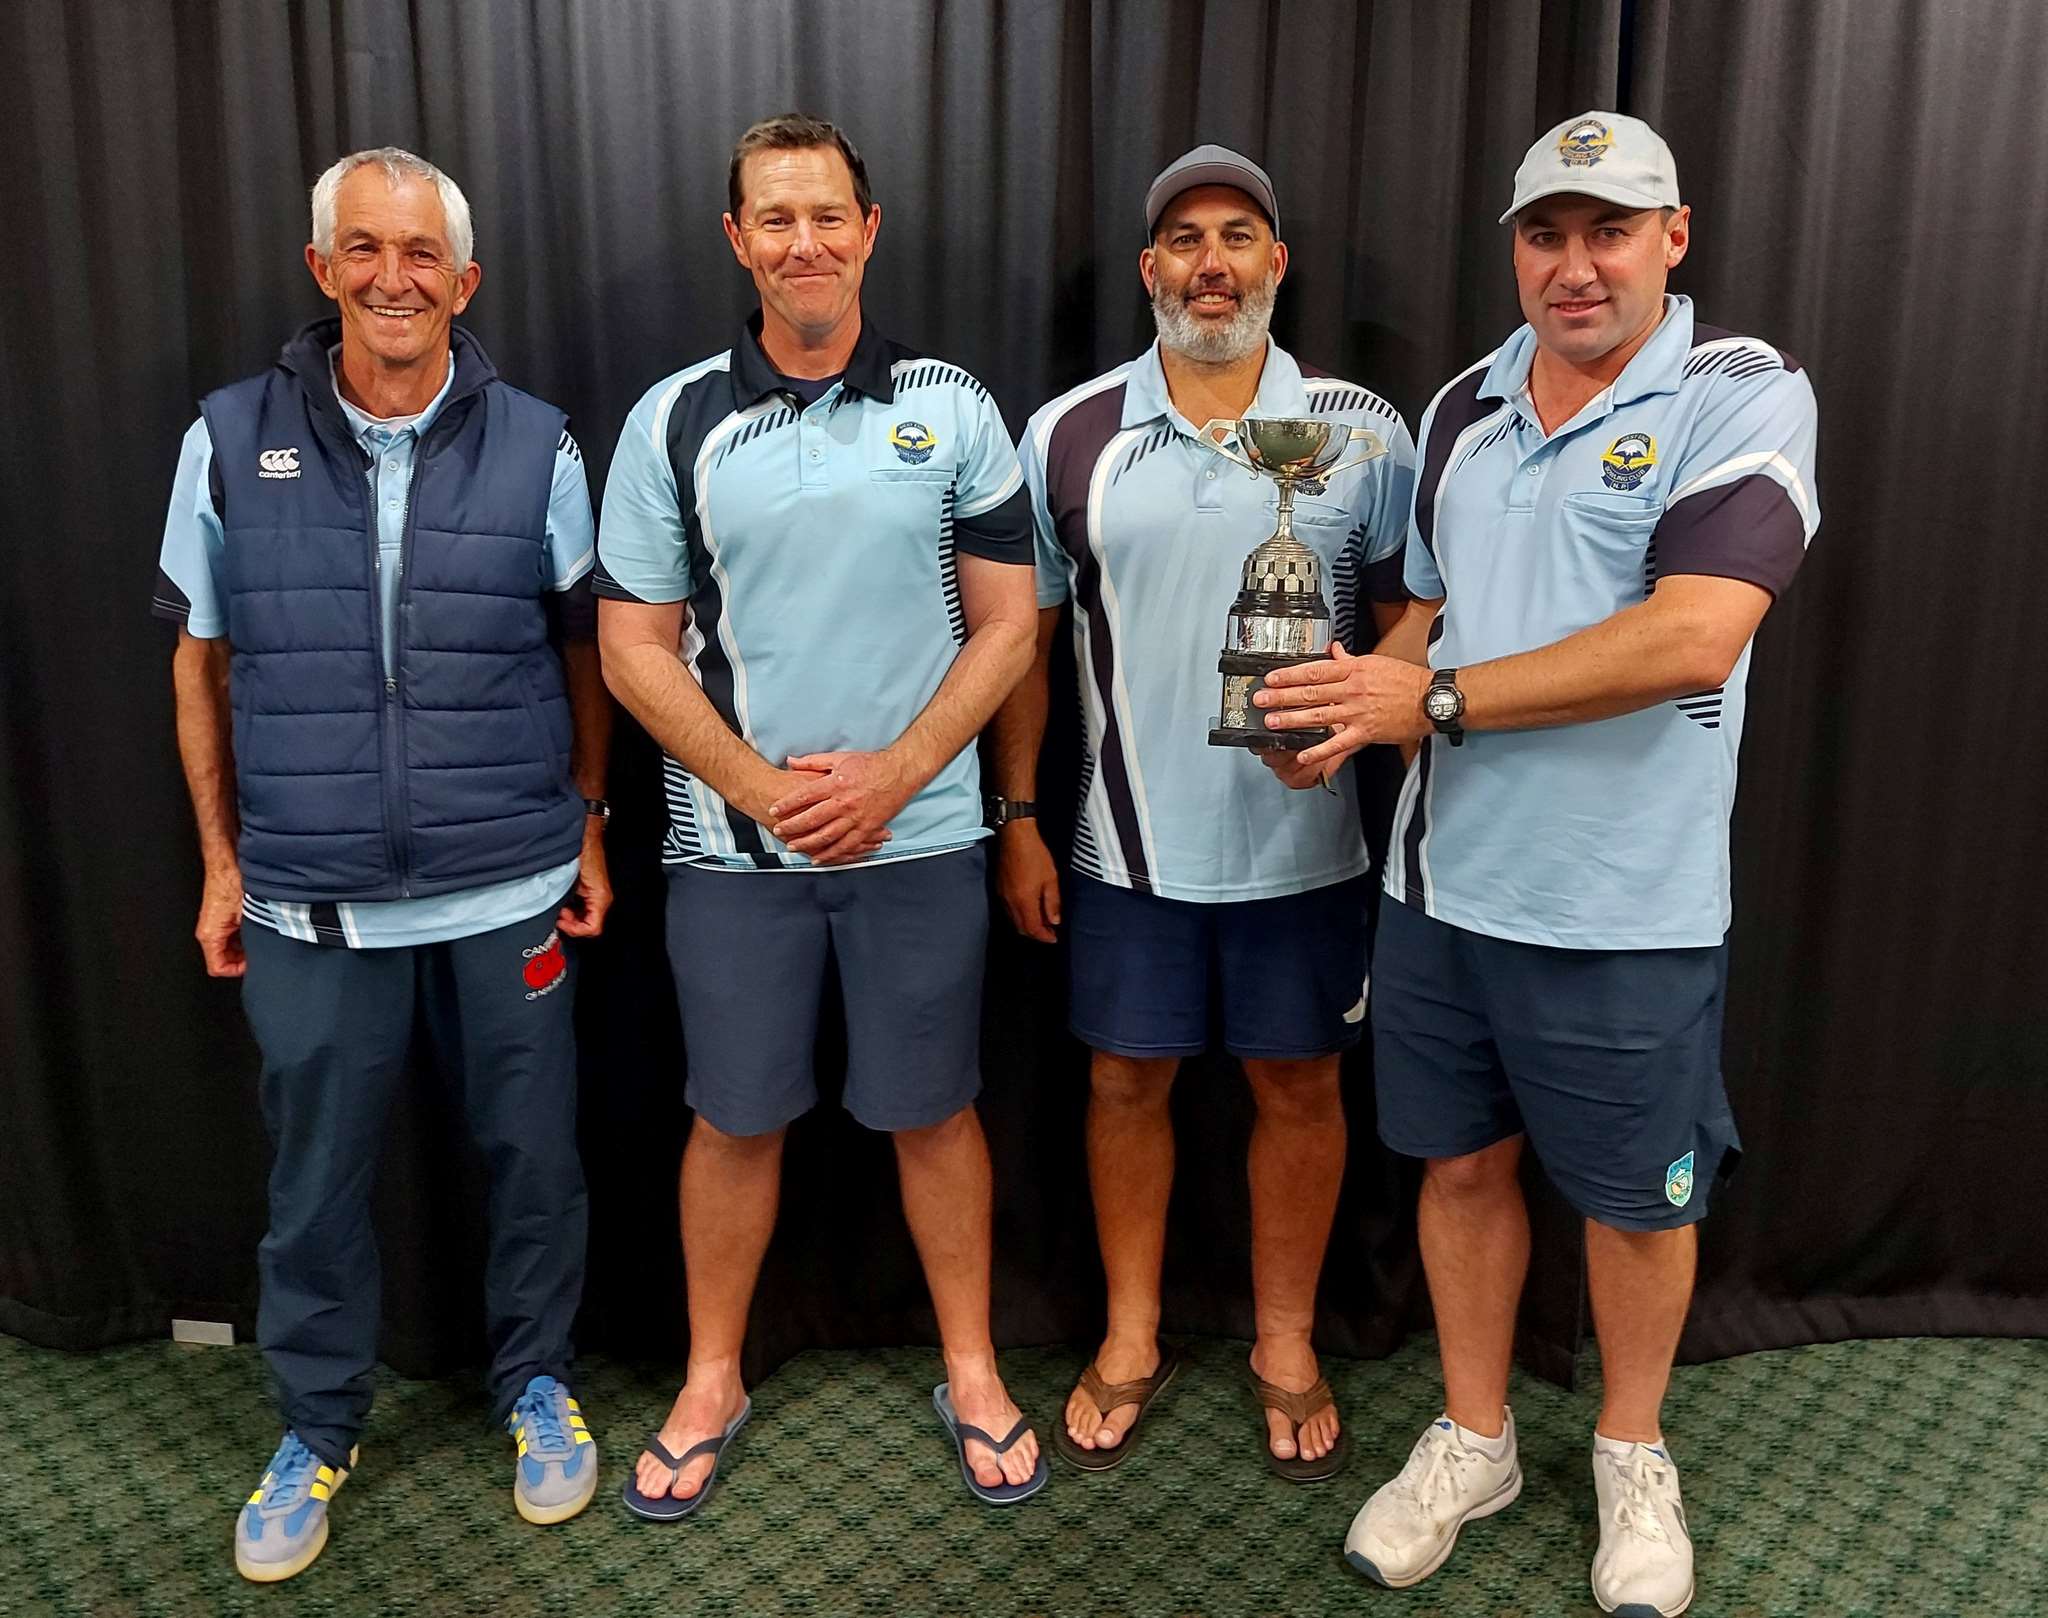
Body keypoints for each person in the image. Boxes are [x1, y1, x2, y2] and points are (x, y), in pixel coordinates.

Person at [1255, 112, 1820, 1615]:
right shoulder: (1459, 406)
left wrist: (1424, 702)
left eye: (1610, 230)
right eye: (1546, 234)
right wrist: (1339, 708)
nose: (1576, 266)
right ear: (1514, 246)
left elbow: (1696, 629)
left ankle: (1633, 1448)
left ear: (1672, 239)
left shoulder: (1737, 392)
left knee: (1640, 1205)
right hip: (1442, 891)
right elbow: (1427, 619)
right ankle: (1478, 1431)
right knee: (1458, 1163)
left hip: (1626, 904)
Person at [157, 147, 613, 1582]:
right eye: (365, 249)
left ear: (464, 281)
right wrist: (222, 863)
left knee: (533, 1162)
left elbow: (589, 645)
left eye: (422, 254)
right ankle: (314, 1421)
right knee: (313, 1182)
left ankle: (536, 1382)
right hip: (310, 895)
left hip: (508, 883)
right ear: (323, 268)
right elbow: (200, 660)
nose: (393, 277)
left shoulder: (541, 439)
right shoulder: (229, 436)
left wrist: (590, 816)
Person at [595, 114, 1045, 1516]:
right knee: (733, 1119)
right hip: (735, 852)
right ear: (738, 239)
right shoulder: (674, 418)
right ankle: (711, 1372)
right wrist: (760, 790)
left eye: (827, 215)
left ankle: (971, 1366)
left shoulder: (953, 406)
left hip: (919, 840)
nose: (804, 241)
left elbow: (1013, 627)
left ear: (870, 228)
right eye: (773, 218)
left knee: (936, 1111)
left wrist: (901, 772)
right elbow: (632, 648)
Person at [989, 144, 1423, 1480]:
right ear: (1149, 270)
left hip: (1312, 845)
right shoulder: (1066, 430)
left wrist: (1360, 709)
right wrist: (1015, 814)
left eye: (1240, 236)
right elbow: (1026, 637)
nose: (1213, 262)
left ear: (1277, 263)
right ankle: (1131, 1331)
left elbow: (1417, 611)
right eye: (1185, 239)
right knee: (1126, 1081)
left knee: (1298, 1087)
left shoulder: (1363, 428)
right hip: (1125, 845)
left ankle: (1284, 1341)